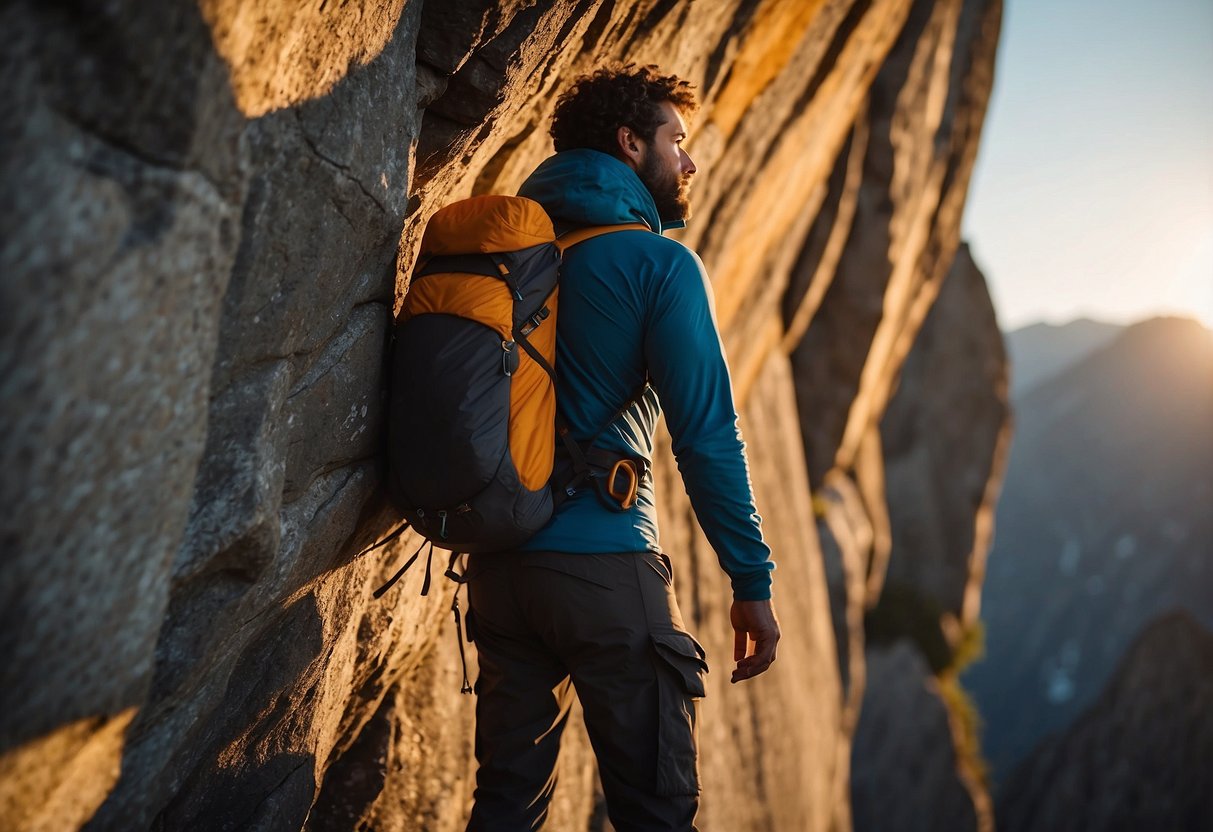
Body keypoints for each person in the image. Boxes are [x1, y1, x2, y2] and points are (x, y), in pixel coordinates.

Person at [464, 64, 780, 832]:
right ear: (629, 142)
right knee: (658, 809)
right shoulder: (656, 264)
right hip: (604, 568)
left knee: (507, 807)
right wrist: (750, 578)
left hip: (499, 573)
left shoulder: (510, 257)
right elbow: (705, 439)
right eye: (677, 140)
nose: (690, 161)